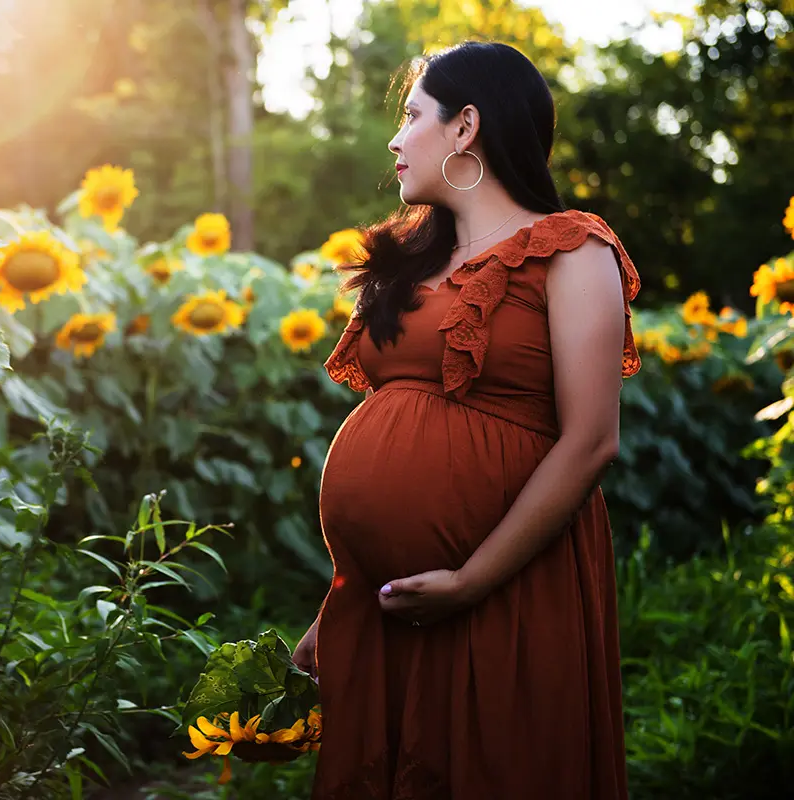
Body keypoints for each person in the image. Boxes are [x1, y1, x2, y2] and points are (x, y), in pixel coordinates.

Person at [291, 41, 639, 799]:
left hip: (506, 584)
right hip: (385, 604)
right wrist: (342, 597)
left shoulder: (572, 252)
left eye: (412, 114)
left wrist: (471, 580)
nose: (394, 137)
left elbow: (590, 442)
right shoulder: (413, 267)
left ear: (465, 127)